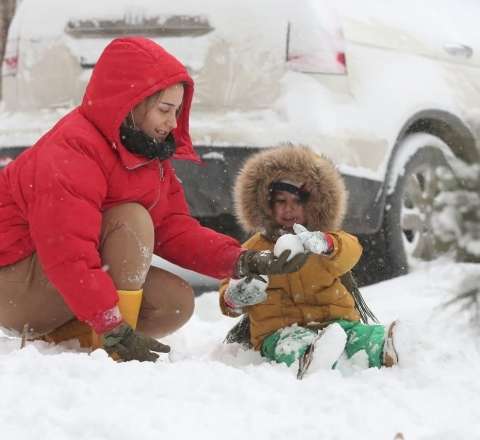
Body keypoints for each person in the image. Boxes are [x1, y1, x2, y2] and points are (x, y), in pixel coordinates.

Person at [0, 37, 309, 362]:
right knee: (131, 219)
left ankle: (79, 338)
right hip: (15, 283)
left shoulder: (144, 155)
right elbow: (67, 253)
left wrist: (242, 260)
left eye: (177, 111)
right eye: (164, 110)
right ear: (130, 103)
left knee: (174, 302)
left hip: (58, 281)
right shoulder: (70, 152)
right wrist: (110, 322)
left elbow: (174, 229)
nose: (173, 123)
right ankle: (111, 345)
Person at [219, 145, 398, 377]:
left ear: (312, 205)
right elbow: (228, 290)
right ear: (266, 204)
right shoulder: (252, 249)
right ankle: (310, 357)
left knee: (359, 336)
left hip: (336, 323)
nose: (288, 209)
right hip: (279, 331)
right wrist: (236, 297)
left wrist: (325, 244)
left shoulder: (324, 241)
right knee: (289, 345)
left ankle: (384, 347)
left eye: (297, 202)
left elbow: (351, 250)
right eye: (281, 201)